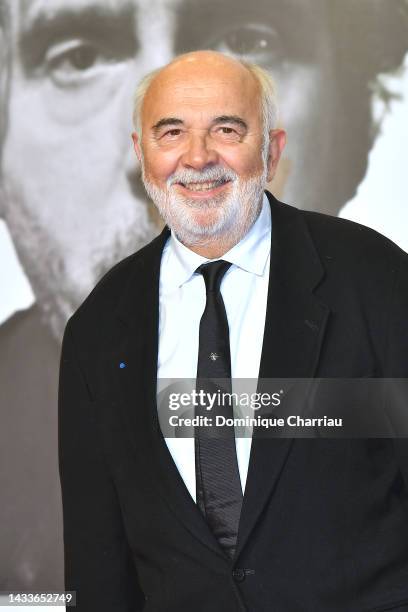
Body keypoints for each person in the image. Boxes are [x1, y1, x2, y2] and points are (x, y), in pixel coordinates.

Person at [2, 0, 408, 591]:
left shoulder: (379, 280)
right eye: (171, 132)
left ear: (270, 151)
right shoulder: (98, 328)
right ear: (144, 156)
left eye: (227, 129)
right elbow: (99, 565)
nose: (197, 157)